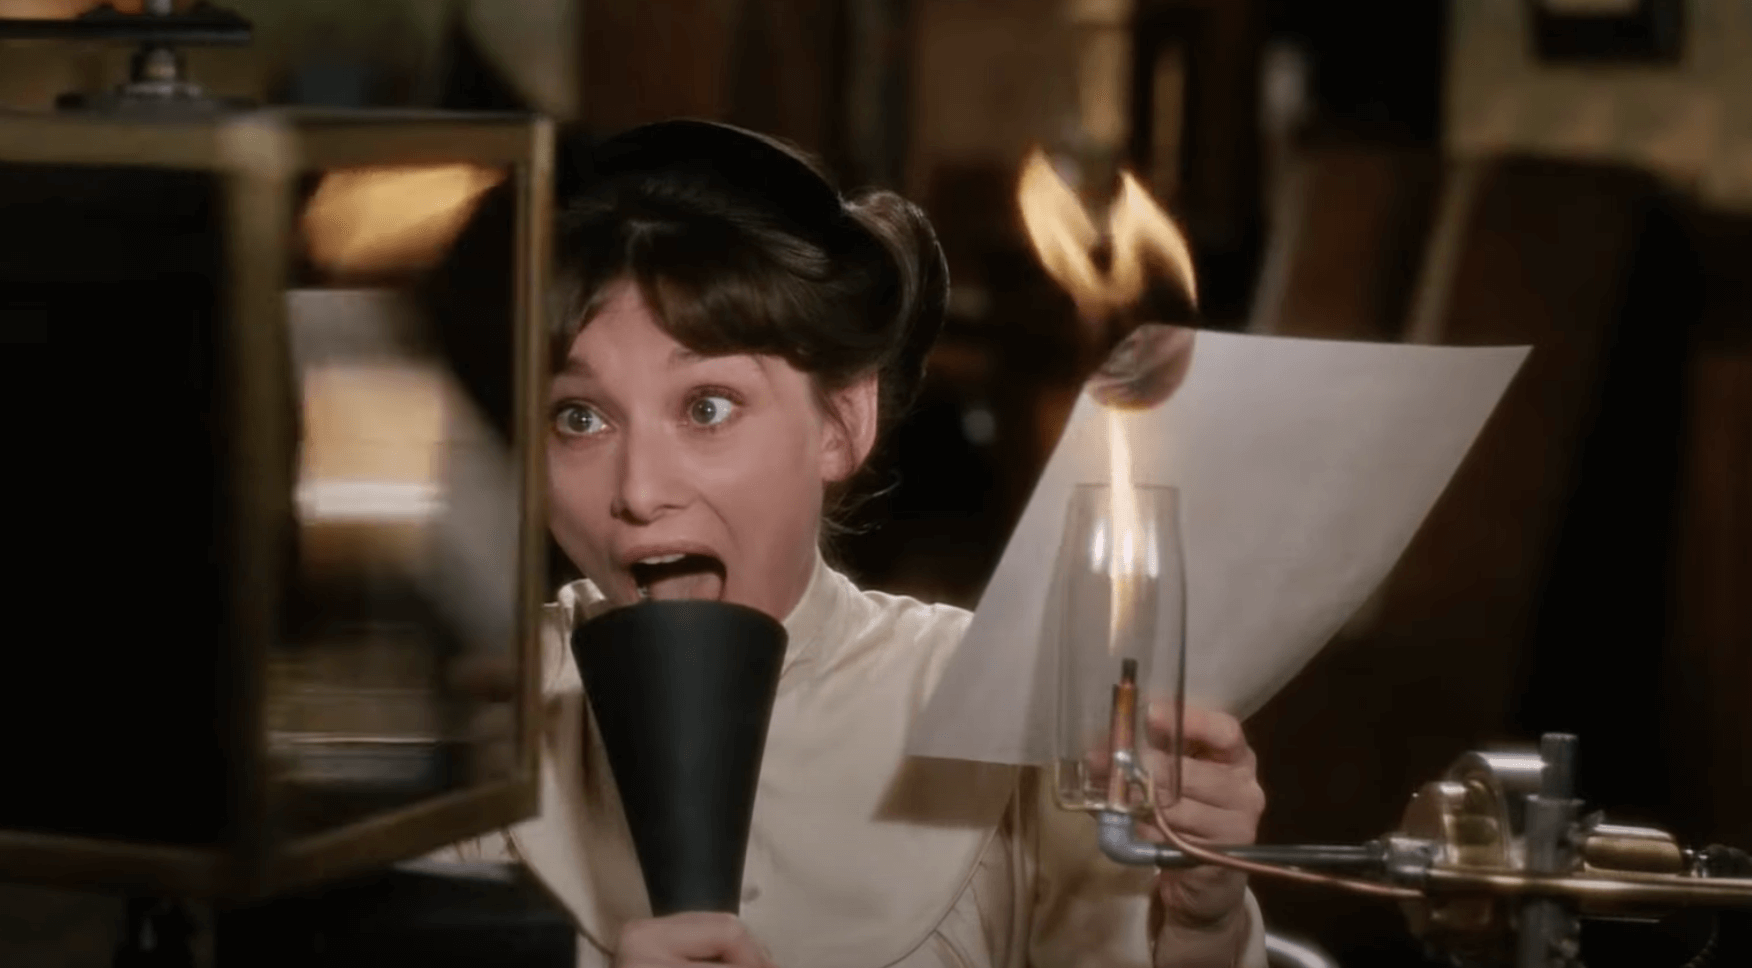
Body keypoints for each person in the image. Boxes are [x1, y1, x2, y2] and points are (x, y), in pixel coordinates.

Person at [435, 119, 1268, 968]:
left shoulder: (1010, 705)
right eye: (579, 417)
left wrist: (1202, 921)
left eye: (707, 407)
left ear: (841, 422)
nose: (639, 491)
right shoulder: (481, 729)